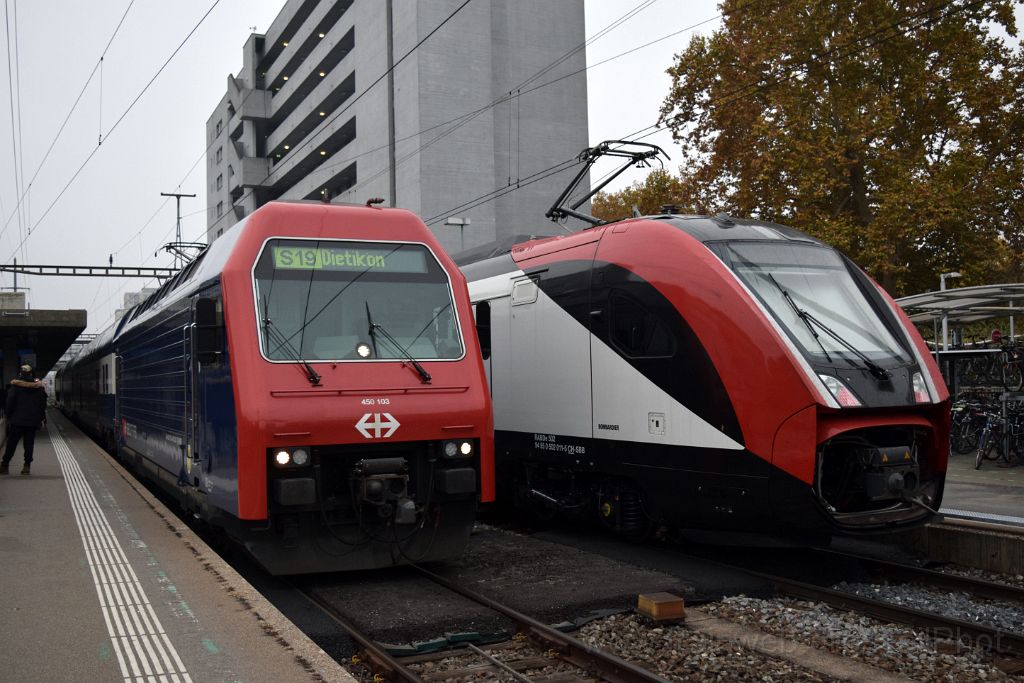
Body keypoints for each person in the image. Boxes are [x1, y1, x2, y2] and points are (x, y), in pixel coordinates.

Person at [0, 364, 47, 475]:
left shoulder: (15, 386)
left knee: (11, 443)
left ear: (20, 373)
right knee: (29, 444)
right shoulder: (38, 387)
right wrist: (42, 418)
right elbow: (42, 405)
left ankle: (5, 465)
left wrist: (8, 415)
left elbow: (10, 403)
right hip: (32, 421)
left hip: (17, 420)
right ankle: (27, 466)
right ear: (31, 374)